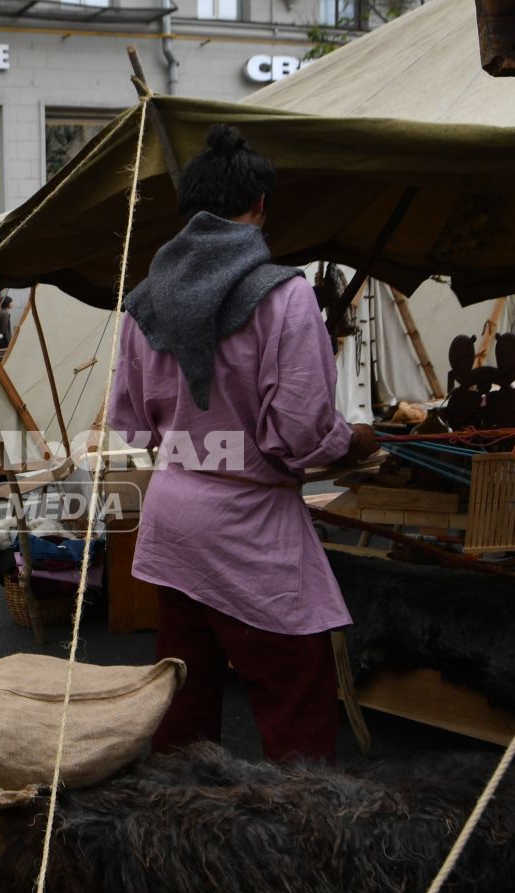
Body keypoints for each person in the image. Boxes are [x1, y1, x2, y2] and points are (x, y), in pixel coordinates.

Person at [108, 125, 378, 764]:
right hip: (250, 524)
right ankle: (301, 840)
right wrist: (357, 442)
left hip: (173, 515)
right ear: (258, 205)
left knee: (184, 695)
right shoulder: (285, 298)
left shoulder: (143, 303)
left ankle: (178, 830)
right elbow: (305, 434)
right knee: (294, 696)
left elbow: (133, 426)